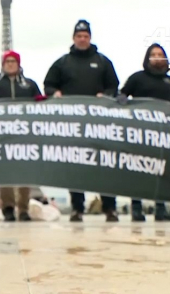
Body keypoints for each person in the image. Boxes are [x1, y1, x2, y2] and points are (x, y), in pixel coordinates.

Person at [43, 20, 120, 222]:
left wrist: (105, 96)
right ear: (74, 38)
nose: (82, 39)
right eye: (79, 36)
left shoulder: (103, 62)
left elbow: (114, 87)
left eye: (86, 36)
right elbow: (48, 85)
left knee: (105, 165)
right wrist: (55, 93)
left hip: (100, 125)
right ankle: (78, 208)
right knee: (75, 167)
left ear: (90, 38)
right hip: (72, 125)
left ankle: (109, 207)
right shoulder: (62, 63)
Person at [119, 43, 170, 222]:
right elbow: (122, 95)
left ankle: (160, 208)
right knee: (137, 170)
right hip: (140, 131)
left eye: (160, 54)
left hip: (163, 132)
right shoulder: (138, 78)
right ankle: (136, 208)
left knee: (162, 170)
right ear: (147, 58)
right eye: (153, 54)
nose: (157, 57)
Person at [0, 49, 43, 221]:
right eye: (7, 62)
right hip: (3, 135)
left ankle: (23, 209)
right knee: (5, 173)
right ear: (3, 65)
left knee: (25, 173)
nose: (10, 64)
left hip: (25, 134)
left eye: (13, 61)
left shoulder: (29, 85)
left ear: (18, 64)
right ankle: (8, 208)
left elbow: (41, 103)